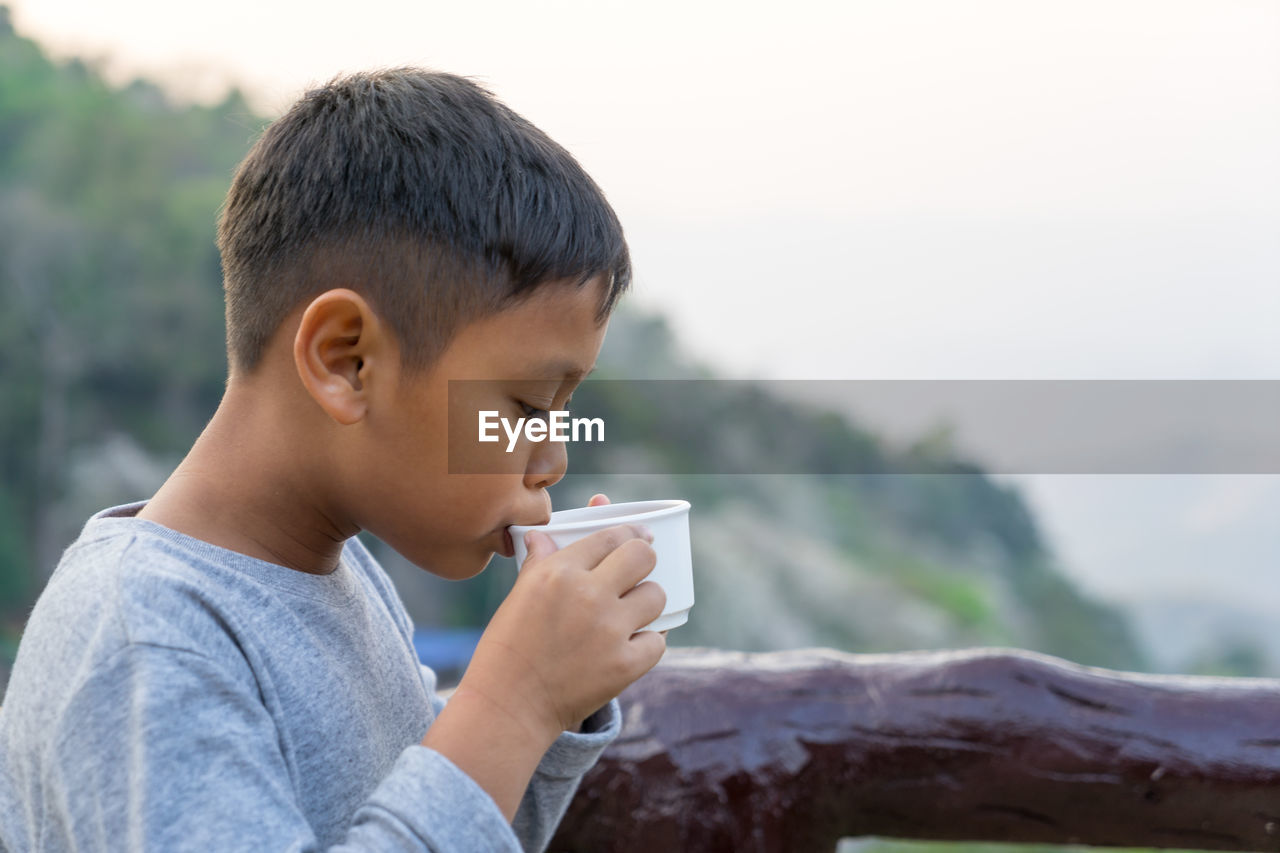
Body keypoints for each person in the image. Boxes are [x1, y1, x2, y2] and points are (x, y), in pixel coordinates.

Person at [0, 68, 667, 852]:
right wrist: (512, 701)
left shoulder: (347, 578)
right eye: (525, 407)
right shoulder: (143, 636)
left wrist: (556, 707)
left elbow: (455, 831)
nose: (552, 458)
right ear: (346, 360)